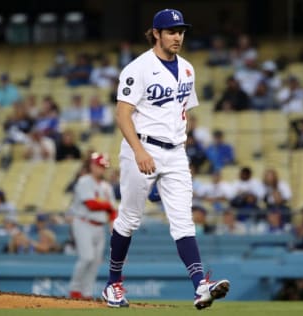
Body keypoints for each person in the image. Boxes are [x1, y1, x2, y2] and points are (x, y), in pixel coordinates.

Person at [103, 9, 229, 309]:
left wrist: (181, 147)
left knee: (184, 222)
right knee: (130, 219)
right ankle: (113, 284)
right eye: (171, 31)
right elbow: (122, 113)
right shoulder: (139, 67)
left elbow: (183, 111)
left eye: (181, 31)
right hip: (142, 148)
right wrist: (139, 151)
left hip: (175, 153)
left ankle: (201, 286)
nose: (178, 37)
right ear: (156, 33)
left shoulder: (187, 68)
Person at [69, 153, 117, 300]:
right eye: (99, 166)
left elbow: (113, 210)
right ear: (92, 165)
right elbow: (91, 204)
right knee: (87, 258)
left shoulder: (106, 187)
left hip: (99, 226)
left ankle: (87, 293)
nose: (101, 169)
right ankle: (75, 289)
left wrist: (112, 225)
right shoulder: (84, 181)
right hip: (84, 223)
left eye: (103, 167)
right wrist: (106, 205)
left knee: (96, 261)